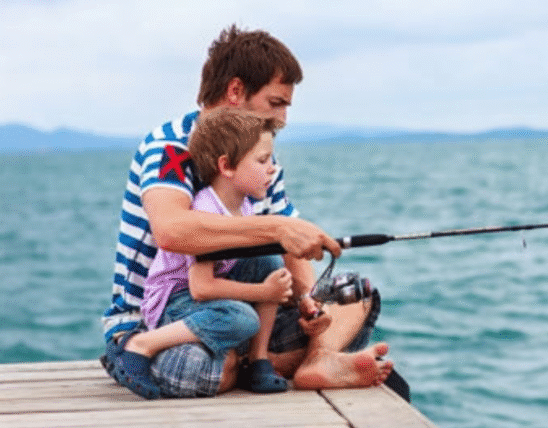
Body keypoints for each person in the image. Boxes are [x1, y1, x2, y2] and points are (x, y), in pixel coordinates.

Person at [102, 25, 403, 399]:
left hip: (242, 311)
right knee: (198, 366)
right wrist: (276, 228)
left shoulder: (261, 160)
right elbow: (171, 230)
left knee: (355, 294)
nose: (283, 119)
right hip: (158, 319)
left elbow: (289, 248)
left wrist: (310, 305)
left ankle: (314, 359)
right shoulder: (172, 147)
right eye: (276, 103)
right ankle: (259, 364)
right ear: (235, 91)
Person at [111, 109, 326, 398]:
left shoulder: (245, 207)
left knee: (271, 261)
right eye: (262, 160)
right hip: (174, 300)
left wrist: (291, 292)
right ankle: (141, 345)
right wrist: (264, 292)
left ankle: (258, 360)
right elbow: (201, 288)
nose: (272, 168)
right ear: (227, 166)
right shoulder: (208, 210)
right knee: (243, 318)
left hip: (202, 297)